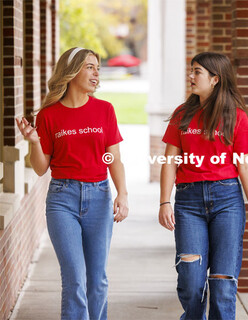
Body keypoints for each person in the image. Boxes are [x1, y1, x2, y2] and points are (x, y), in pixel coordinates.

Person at [15, 47, 128, 320]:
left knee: (97, 278)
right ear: (72, 70)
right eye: (90, 66)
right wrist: (34, 142)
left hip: (98, 195)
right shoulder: (49, 115)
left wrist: (122, 194)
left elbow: (113, 158)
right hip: (62, 198)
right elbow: (41, 168)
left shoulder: (104, 110)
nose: (96, 73)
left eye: (97, 67)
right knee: (75, 278)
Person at [158, 52, 248, 320]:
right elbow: (169, 162)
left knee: (222, 284)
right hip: (188, 202)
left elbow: (246, 165)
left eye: (197, 72)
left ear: (215, 79)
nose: (190, 76)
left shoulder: (236, 117)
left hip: (227, 200)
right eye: (191, 71)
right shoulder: (182, 114)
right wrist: (165, 201)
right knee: (191, 281)